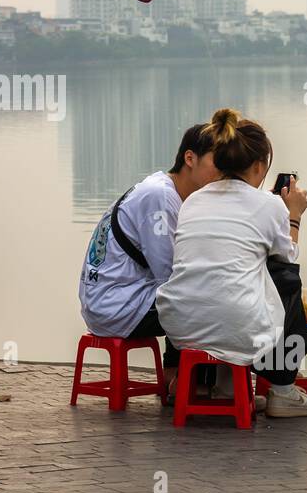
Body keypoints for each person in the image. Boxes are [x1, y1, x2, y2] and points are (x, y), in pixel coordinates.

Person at [156, 108, 307, 418]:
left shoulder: (193, 200)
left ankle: (226, 387)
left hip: (179, 327)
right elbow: (287, 257)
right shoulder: (270, 205)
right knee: (284, 277)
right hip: (236, 327)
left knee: (230, 277)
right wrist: (295, 216)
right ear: (260, 166)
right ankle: (283, 390)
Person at [78, 123, 221, 396]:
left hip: (113, 298)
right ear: (190, 158)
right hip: (117, 305)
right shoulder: (161, 197)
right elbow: (172, 275)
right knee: (209, 302)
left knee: (190, 292)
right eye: (218, 162)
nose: (223, 172)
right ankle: (193, 385)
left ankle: (174, 378)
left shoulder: (167, 190)